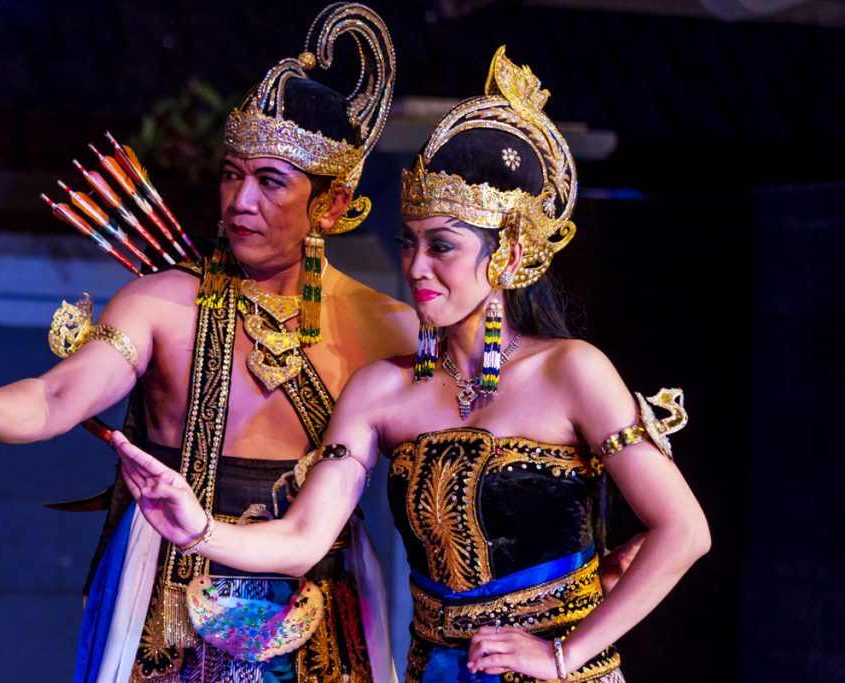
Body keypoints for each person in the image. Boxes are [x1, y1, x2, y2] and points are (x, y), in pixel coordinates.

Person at [110, 47, 711, 683]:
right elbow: (303, 541)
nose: (417, 266)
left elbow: (683, 531)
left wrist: (565, 654)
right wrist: (198, 528)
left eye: (442, 246)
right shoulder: (382, 391)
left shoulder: (571, 373)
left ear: (505, 255)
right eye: (410, 243)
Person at [0, 4, 415, 682]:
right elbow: (52, 397)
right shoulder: (164, 301)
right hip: (167, 598)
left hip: (315, 602)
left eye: (270, 181)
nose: (239, 200)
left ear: (331, 206)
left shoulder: (386, 327)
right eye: (231, 174)